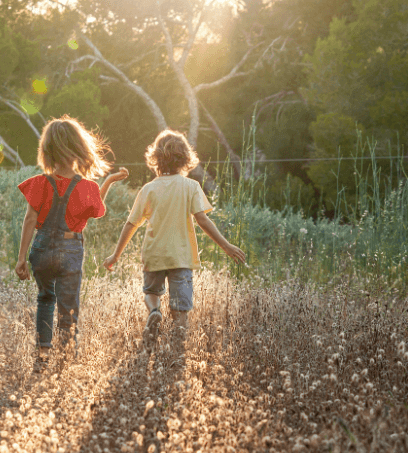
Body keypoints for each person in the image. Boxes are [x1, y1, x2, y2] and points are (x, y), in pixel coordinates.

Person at [102, 129, 246, 342]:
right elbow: (203, 220)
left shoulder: (149, 189)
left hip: (154, 255)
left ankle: (154, 312)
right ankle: (177, 352)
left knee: (151, 293)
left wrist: (115, 255)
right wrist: (226, 246)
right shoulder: (191, 186)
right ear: (186, 159)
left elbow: (131, 224)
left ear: (156, 159)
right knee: (181, 309)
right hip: (181, 257)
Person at [15, 116, 128, 372]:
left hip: (41, 248)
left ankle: (43, 355)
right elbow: (97, 209)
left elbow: (30, 219)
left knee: (45, 298)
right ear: (78, 148)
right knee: (68, 307)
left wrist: (21, 257)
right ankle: (65, 360)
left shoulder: (39, 182)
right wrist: (107, 181)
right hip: (70, 249)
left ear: (47, 150)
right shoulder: (87, 187)